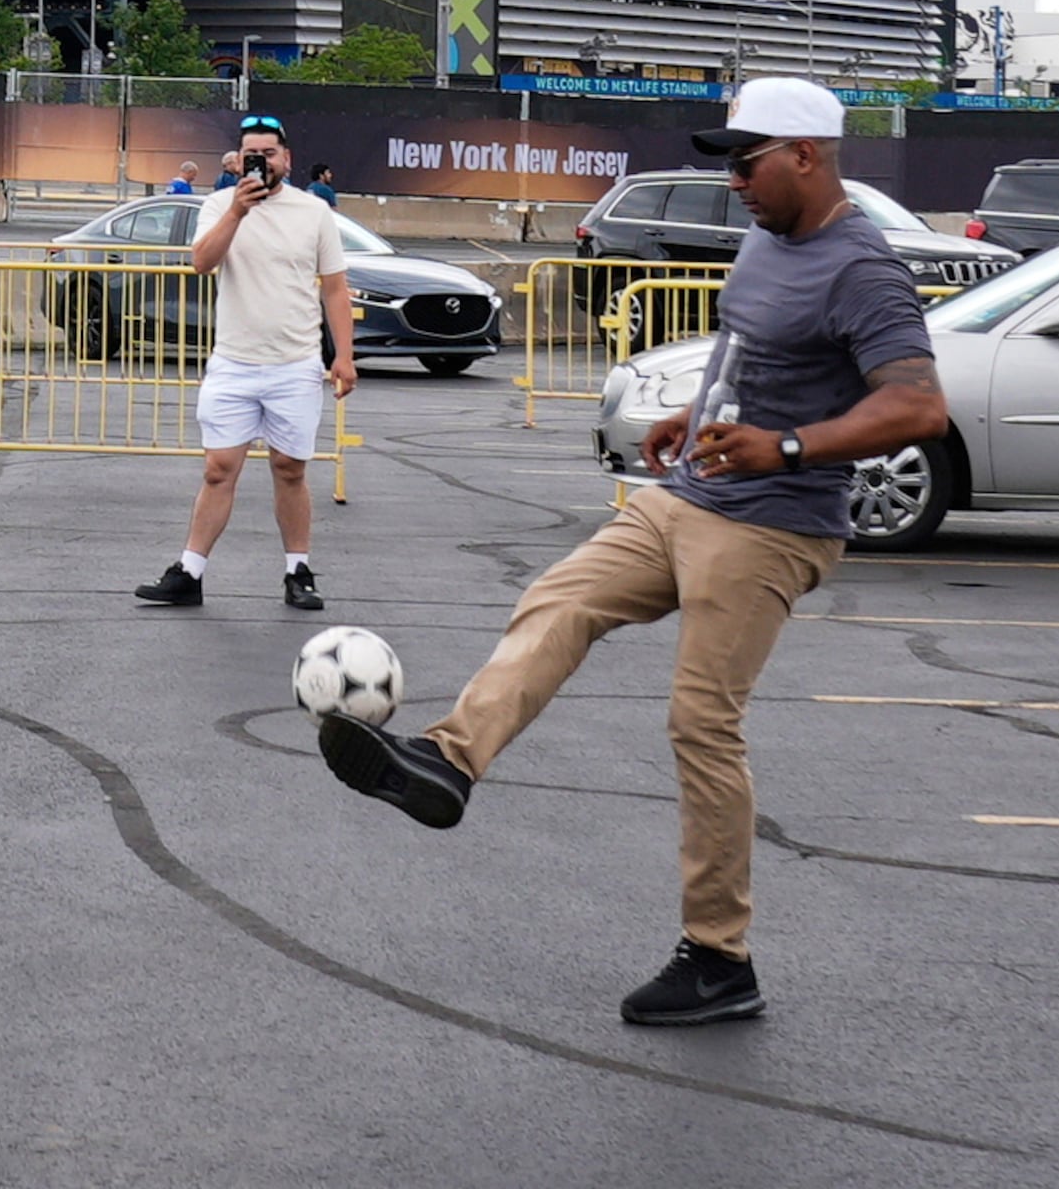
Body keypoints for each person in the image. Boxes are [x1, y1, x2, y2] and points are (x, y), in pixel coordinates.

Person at [315, 77, 944, 1028]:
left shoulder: (862, 268)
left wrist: (786, 446)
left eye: (746, 160)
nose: (731, 179)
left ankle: (719, 959)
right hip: (689, 493)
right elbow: (759, 355)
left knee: (702, 724)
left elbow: (916, 405)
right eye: (726, 161)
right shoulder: (770, 241)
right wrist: (700, 413)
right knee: (560, 598)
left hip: (774, 522)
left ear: (806, 156)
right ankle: (448, 762)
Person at [134, 110, 353, 613]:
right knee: (218, 468)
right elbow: (201, 261)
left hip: (294, 361)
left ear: (287, 158)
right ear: (238, 161)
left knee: (290, 468)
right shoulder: (217, 205)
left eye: (270, 153)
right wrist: (237, 211)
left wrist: (344, 356)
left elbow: (336, 289)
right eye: (252, 155)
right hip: (234, 361)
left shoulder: (314, 212)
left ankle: (297, 569)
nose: (262, 162)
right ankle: (190, 571)